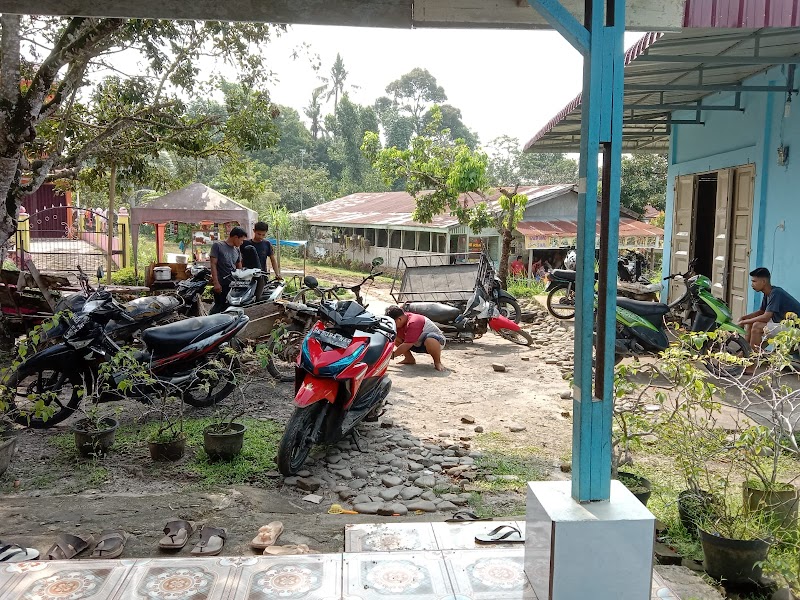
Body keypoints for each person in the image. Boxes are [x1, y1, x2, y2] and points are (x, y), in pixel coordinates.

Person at [738, 267, 800, 349]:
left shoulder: (776, 293)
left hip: (795, 328)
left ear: (763, 282)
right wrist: (744, 318)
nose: (752, 284)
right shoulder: (767, 293)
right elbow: (761, 311)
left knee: (757, 326)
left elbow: (766, 317)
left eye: (754, 281)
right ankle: (745, 351)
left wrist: (743, 322)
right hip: (781, 323)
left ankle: (752, 357)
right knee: (751, 323)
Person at [385, 305, 447, 372]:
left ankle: (437, 362)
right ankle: (409, 359)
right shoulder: (402, 320)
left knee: (430, 339)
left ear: (399, 319)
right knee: (394, 336)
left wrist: (390, 356)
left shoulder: (414, 321)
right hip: (416, 343)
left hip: (435, 343)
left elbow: (407, 344)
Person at [209, 226, 247, 314]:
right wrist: (216, 283)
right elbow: (213, 264)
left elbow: (239, 266)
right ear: (235, 237)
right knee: (218, 307)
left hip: (232, 285)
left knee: (230, 309)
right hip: (221, 284)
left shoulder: (237, 250)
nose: (242, 243)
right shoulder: (218, 246)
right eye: (241, 240)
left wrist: (241, 281)